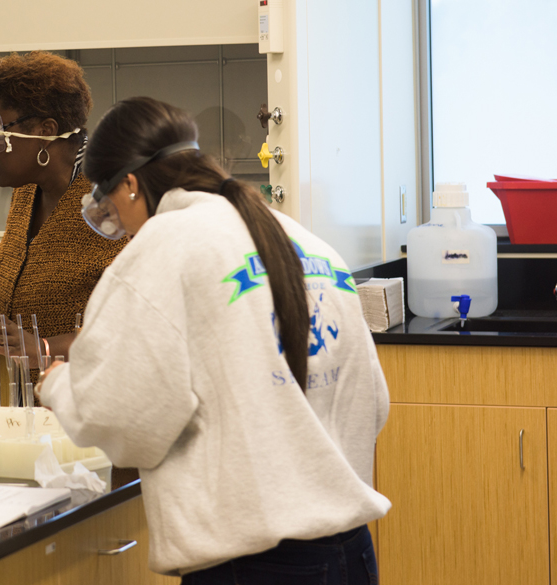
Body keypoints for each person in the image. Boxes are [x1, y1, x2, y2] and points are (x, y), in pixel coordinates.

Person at [38, 97, 391, 583]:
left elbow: (124, 420)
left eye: (111, 206)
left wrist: (58, 384)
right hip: (351, 556)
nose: (120, 229)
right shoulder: (302, 240)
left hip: (256, 567)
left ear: (131, 184)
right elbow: (374, 402)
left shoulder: (165, 246)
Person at [0, 51, 125, 374]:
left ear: (46, 130)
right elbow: (31, 296)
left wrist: (45, 348)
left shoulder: (114, 199)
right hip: (34, 405)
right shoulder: (26, 191)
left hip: (95, 404)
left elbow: (132, 327)